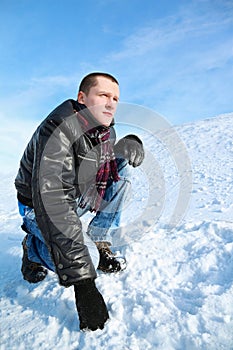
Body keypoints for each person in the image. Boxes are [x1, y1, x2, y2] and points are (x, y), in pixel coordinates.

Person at [15, 72, 144, 331]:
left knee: (123, 169)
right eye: (104, 95)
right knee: (83, 262)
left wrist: (130, 143)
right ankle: (33, 248)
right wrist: (83, 284)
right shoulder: (57, 129)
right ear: (82, 98)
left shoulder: (105, 130)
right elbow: (55, 203)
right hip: (38, 207)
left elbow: (101, 167)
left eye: (116, 98)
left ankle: (99, 238)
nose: (111, 103)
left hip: (75, 196)